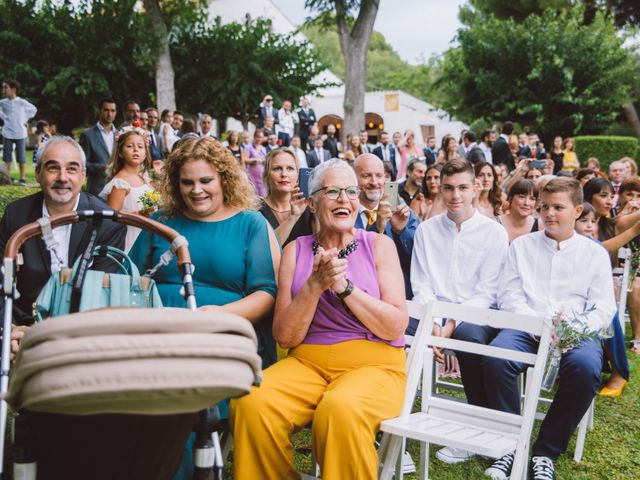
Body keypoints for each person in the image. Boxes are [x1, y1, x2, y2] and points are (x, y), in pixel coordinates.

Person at [230, 159, 408, 479]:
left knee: (339, 408)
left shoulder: (379, 245)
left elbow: (396, 325)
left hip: (374, 366)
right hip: (308, 364)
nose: (344, 199)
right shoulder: (295, 251)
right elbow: (285, 336)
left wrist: (344, 287)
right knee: (253, 400)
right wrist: (314, 285)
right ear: (311, 203)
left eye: (351, 191)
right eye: (332, 191)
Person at [479, 178, 615, 480]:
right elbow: (509, 295)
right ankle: (509, 444)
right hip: (526, 326)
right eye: (545, 207)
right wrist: (537, 324)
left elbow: (604, 307)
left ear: (577, 210)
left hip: (575, 333)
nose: (549, 214)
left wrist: (571, 328)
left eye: (558, 207)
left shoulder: (594, 254)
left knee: (586, 369)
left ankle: (545, 451)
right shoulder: (522, 247)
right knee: (496, 359)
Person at [411, 158, 509, 465]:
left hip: (478, 314)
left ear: (476, 188)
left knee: (468, 337)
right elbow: (422, 284)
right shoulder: (426, 231)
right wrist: (435, 324)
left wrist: (449, 327)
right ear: (440, 188)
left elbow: (487, 292)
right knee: (400, 335)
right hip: (431, 312)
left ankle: (479, 427)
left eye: (463, 188)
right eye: (449, 188)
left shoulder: (493, 232)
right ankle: (392, 425)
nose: (455, 196)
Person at [0, 136, 126, 327]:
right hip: (24, 325)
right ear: (38, 173)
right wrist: (8, 328)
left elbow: (101, 293)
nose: (62, 177)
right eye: (53, 168)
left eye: (72, 169)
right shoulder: (16, 215)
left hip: (83, 328)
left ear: (83, 176)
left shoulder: (107, 222)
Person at [354, 154, 418, 301]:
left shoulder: (405, 213)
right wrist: (377, 227)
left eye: (379, 176)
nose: (374, 182)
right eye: (366, 176)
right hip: (360, 299)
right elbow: (353, 259)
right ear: (354, 180)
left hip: (400, 298)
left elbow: (415, 261)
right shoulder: (344, 214)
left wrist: (400, 232)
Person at [99, 128, 154, 251]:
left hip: (147, 237)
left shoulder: (146, 180)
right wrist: (139, 214)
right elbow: (112, 219)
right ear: (120, 152)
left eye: (140, 147)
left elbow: (150, 208)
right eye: (129, 146)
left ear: (145, 153)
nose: (135, 150)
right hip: (129, 239)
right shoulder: (120, 183)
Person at [259, 147, 313, 246]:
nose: (284, 174)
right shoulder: (255, 210)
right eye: (277, 168)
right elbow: (265, 250)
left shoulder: (308, 208)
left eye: (290, 168)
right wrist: (292, 217)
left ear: (298, 174)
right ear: (267, 175)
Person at [0, 79, 37, 185]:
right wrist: (4, 116)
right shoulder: (3, 102)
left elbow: (34, 110)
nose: (3, 90)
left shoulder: (22, 102)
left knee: (21, 157)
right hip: (7, 133)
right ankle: (7, 179)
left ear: (13, 89)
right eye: (3, 87)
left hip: (20, 133)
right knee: (7, 157)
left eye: (5, 87)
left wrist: (24, 119)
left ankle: (22, 179)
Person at [79, 99, 117, 195]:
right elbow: (82, 163)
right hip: (97, 188)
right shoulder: (87, 135)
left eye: (112, 111)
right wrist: (101, 167)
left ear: (116, 112)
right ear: (100, 111)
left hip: (118, 187)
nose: (109, 114)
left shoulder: (120, 134)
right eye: (106, 110)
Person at [245, 128, 268, 196]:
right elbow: (245, 159)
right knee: (253, 192)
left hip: (262, 173)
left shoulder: (263, 148)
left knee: (263, 193)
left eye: (261, 137)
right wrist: (254, 159)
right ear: (254, 137)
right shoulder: (248, 147)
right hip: (252, 172)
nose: (259, 139)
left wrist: (264, 160)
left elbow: (266, 159)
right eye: (258, 137)